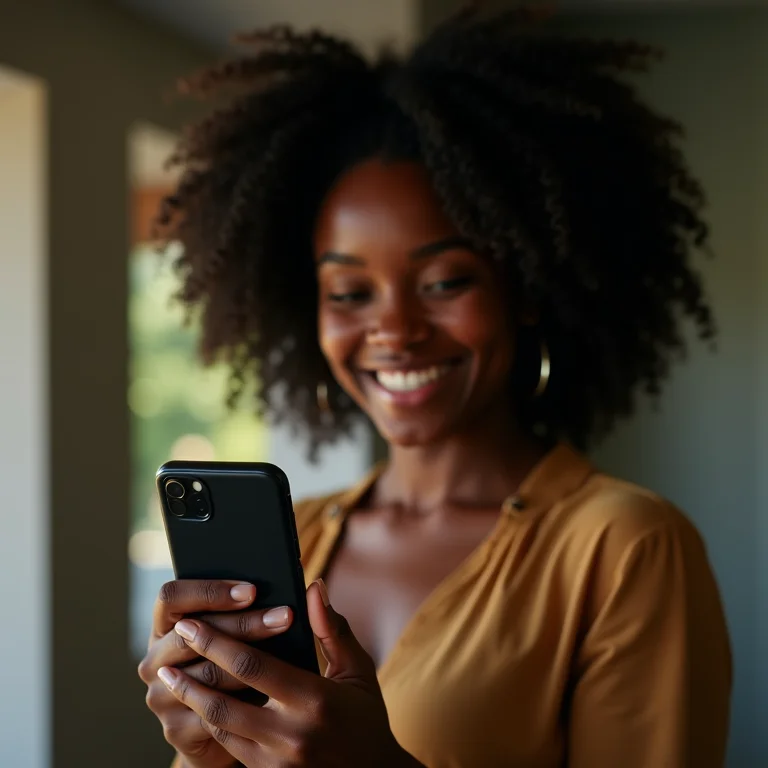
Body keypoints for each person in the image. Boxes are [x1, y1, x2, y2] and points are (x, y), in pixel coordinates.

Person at [137, 8, 732, 767]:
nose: (395, 328)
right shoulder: (299, 537)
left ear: (523, 286)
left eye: (445, 280)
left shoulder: (623, 547)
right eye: (350, 293)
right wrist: (204, 747)